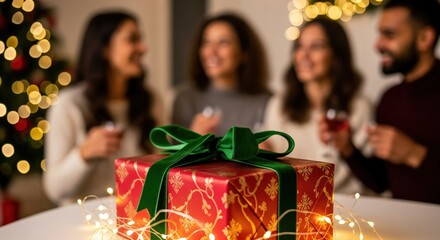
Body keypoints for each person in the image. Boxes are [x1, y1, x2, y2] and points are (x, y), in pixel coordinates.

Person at [320, 0, 440, 204]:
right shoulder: (390, 99)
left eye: (390, 34)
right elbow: (381, 182)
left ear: (424, 38)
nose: (378, 45)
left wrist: (415, 154)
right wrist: (347, 148)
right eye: (380, 34)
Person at [43, 11, 161, 205]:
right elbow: (54, 190)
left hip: (138, 214)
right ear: (105, 48)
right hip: (83, 220)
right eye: (132, 39)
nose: (143, 48)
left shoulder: (152, 100)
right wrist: (84, 154)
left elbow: (161, 166)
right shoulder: (69, 104)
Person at [262, 16, 373, 194]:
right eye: (299, 46)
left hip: (346, 206)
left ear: (336, 56)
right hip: (292, 202)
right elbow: (273, 161)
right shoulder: (279, 104)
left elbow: (367, 177)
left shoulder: (359, 107)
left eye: (316, 46)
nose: (303, 55)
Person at [172, 13, 271, 136]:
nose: (211, 51)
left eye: (224, 42)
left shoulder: (267, 102)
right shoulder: (184, 100)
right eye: (206, 42)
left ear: (244, 52)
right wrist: (192, 141)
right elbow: (171, 153)